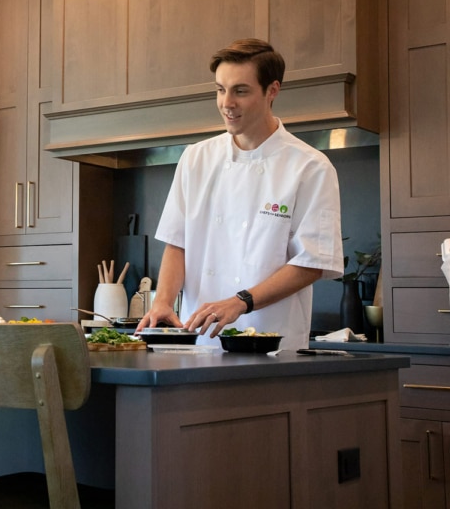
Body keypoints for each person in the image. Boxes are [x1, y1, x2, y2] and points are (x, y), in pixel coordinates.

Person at [136, 39, 343, 350]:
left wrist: (241, 301)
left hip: (272, 343)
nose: (226, 102)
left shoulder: (311, 167)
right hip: (199, 342)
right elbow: (177, 243)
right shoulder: (196, 158)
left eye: (240, 91)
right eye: (220, 89)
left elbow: (312, 262)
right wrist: (163, 301)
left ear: (272, 90)